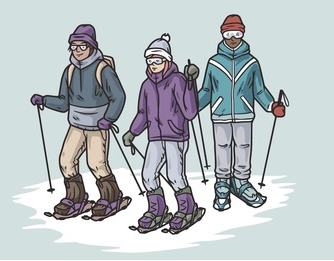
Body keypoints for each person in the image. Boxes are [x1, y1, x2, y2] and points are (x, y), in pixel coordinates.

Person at [30, 24, 131, 220]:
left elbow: (118, 97)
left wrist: (108, 118)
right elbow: (63, 103)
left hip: (96, 126)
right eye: (74, 47)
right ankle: (76, 198)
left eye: (82, 46)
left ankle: (112, 198)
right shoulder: (69, 71)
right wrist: (44, 100)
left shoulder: (103, 69)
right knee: (66, 161)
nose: (77, 51)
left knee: (96, 163)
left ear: (92, 47)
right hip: (76, 124)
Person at [197, 15, 285, 211]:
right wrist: (192, 106)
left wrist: (272, 105)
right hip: (220, 113)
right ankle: (222, 184)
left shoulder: (252, 63)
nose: (233, 38)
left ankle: (241, 182)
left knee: (243, 147)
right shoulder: (214, 62)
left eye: (237, 33)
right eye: (228, 33)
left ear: (243, 34)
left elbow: (259, 90)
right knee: (222, 147)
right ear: (222, 34)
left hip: (244, 113)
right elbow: (206, 90)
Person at [122, 34, 205, 234]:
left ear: (167, 60)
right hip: (155, 136)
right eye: (150, 60)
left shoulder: (178, 80)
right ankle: (157, 211)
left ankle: (187, 210)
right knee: (148, 174)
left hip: (176, 136)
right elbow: (142, 113)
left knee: (175, 175)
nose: (153, 64)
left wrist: (191, 83)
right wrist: (133, 132)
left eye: (157, 60)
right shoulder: (146, 85)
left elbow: (190, 112)